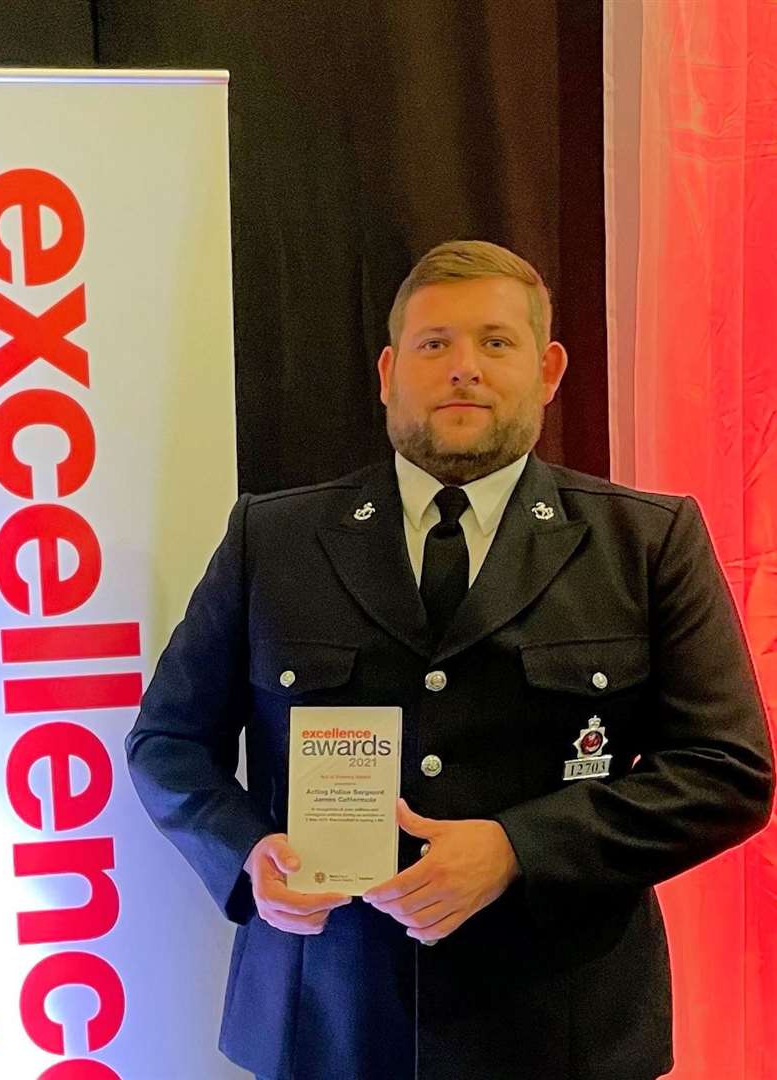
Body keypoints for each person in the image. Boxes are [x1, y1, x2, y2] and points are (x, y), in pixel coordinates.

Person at [126, 240, 773, 1080]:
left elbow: (727, 771)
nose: (463, 368)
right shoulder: (272, 540)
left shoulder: (648, 543)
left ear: (547, 369)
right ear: (390, 371)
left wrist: (517, 847)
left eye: (495, 342)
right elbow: (167, 743)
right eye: (435, 344)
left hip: (564, 1030)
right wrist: (246, 854)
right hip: (326, 1022)